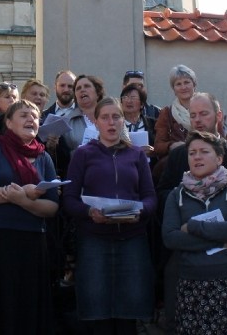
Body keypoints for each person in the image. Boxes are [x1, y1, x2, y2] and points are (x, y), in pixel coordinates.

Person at [63, 98, 157, 334]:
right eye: (105, 117)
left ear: (123, 120)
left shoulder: (136, 155)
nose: (111, 122)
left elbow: (150, 197)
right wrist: (88, 212)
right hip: (94, 238)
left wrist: (140, 211)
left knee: (130, 306)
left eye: (116, 116)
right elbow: (69, 198)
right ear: (96, 122)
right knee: (96, 307)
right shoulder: (83, 155)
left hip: (132, 237)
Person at [0, 100, 58, 333]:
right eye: (24, 114)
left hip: (31, 243)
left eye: (35, 116)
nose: (31, 119)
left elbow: (52, 207)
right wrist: (13, 194)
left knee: (25, 308)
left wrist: (22, 200)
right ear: (7, 122)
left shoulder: (44, 157)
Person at [162, 130, 227, 335]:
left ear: (219, 158)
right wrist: (218, 241)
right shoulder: (176, 195)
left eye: (203, 152)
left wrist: (193, 226)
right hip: (193, 286)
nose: (197, 157)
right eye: (192, 153)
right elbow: (171, 237)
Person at [153, 65, 197, 162]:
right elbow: (158, 146)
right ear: (174, 89)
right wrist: (171, 145)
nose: (183, 87)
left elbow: (219, 138)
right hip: (178, 163)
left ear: (194, 85)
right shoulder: (166, 113)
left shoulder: (206, 109)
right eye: (178, 84)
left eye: (187, 82)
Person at [63, 74, 105, 150]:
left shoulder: (110, 116)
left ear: (98, 93)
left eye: (87, 86)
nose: (82, 90)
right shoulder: (67, 121)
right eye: (78, 88)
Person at [119, 83, 155, 160]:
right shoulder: (116, 124)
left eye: (133, 97)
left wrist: (153, 150)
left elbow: (160, 148)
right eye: (125, 97)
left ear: (142, 104)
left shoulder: (153, 124)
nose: (128, 101)